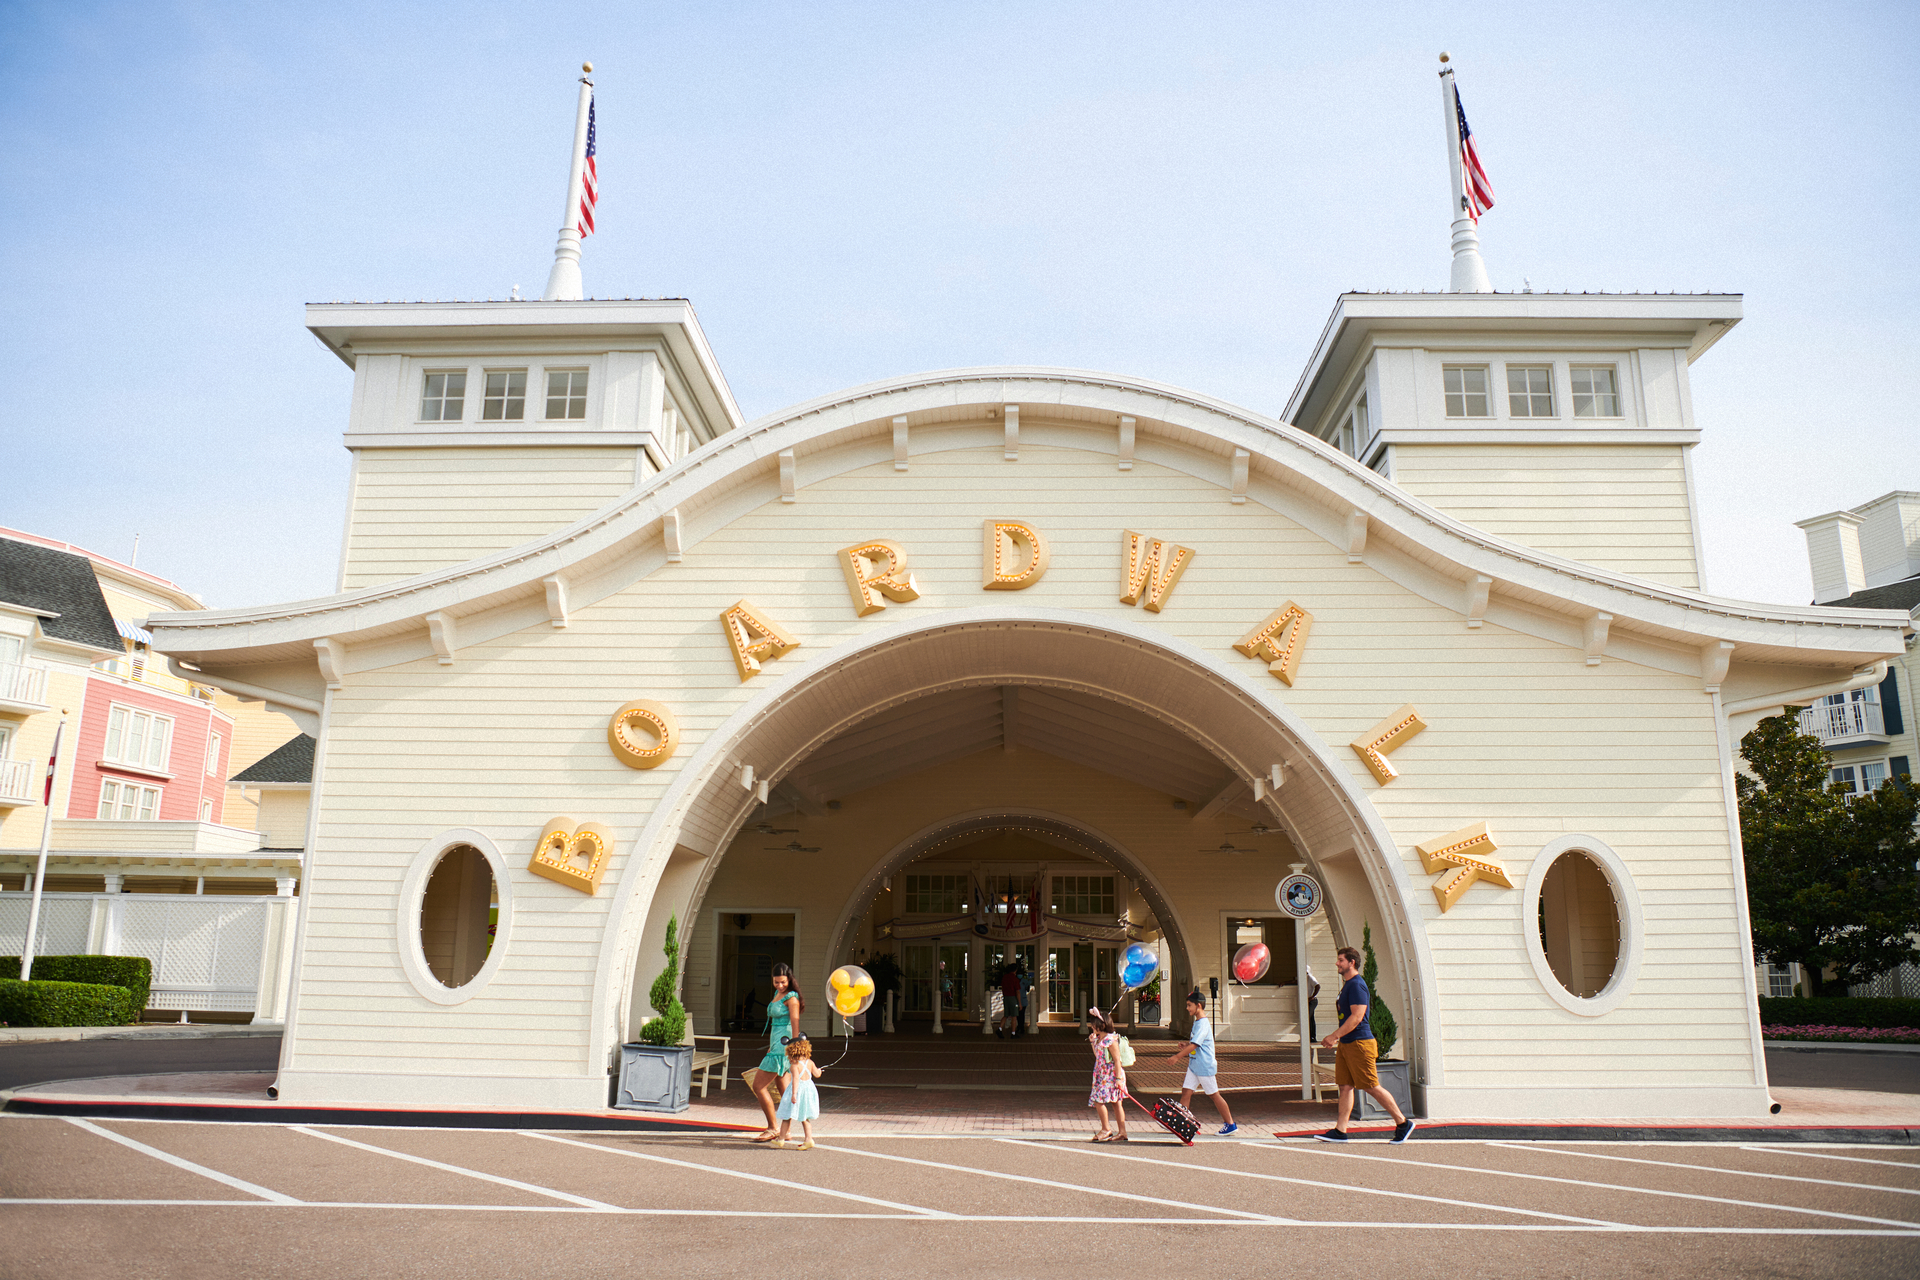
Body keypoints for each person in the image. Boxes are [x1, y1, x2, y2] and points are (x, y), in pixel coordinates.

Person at [1317, 946, 1415, 1144]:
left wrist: (1334, 1036)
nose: (1337, 963)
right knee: (1345, 1086)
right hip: (1347, 1043)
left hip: (1360, 1043)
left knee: (1371, 1086)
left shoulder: (1356, 985)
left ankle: (1403, 1123)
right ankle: (1340, 1131)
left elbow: (1357, 1017)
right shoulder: (1348, 985)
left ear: (1351, 962)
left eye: (1341, 960)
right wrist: (1339, 1039)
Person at [743, 963, 803, 1143]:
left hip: (783, 1047)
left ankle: (773, 1128)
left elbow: (795, 1024)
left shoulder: (792, 998)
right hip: (776, 1045)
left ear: (789, 979)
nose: (780, 985)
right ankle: (786, 1130)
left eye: (783, 982)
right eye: (776, 982)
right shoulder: (778, 994)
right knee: (785, 1091)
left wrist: (795, 1050)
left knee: (759, 1086)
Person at [1166, 990, 1237, 1136]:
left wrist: (1177, 1057)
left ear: (1198, 1005)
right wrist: (1187, 1045)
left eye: (1189, 1005)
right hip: (1195, 1065)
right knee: (1186, 1092)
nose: (1187, 1008)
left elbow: (1195, 1045)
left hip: (1204, 1066)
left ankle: (1230, 1124)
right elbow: (1196, 1043)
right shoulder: (1198, 1022)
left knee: (1214, 1095)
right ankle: (1181, 1122)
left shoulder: (1202, 1023)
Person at [1086, 1006, 1129, 1141]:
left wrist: (1118, 1078)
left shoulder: (1111, 1039)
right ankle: (1121, 1132)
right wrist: (1093, 1042)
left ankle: (1106, 1129)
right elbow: (1098, 1056)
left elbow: (1117, 1060)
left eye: (1094, 1025)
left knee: (1100, 1101)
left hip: (1110, 1075)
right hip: (1102, 1074)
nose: (1092, 1027)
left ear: (1101, 1025)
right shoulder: (1100, 1039)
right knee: (1115, 1102)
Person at [774, 1035, 822, 1150]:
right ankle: (808, 1139)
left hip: (798, 1091)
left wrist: (794, 1094)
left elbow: (795, 1080)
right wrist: (820, 1070)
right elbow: (817, 1074)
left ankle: (781, 1139)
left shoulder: (794, 1066)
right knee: (804, 1116)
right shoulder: (810, 1062)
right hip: (808, 1091)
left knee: (787, 1115)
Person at [998, 964, 1021, 1039]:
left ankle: (1000, 1028)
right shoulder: (1015, 979)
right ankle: (1013, 1033)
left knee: (1006, 1014)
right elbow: (1017, 991)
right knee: (1014, 1015)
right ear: (1015, 970)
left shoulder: (1005, 977)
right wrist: (1019, 1003)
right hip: (1012, 998)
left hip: (1006, 997)